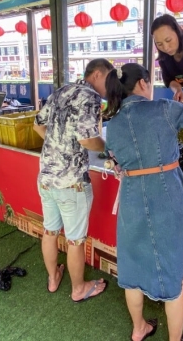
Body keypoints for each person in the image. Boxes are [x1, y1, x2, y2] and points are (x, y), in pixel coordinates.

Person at [104, 63, 183, 341]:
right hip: (166, 193)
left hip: (132, 195)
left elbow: (114, 159)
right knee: (173, 273)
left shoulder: (113, 123)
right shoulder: (164, 108)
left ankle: (139, 329)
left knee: (132, 267)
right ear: (144, 84)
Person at [32, 58, 113, 302]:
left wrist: (58, 146)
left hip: (46, 177)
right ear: (98, 74)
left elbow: (37, 125)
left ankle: (53, 278)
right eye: (109, 78)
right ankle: (79, 289)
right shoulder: (90, 96)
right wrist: (109, 149)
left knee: (50, 230)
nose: (111, 85)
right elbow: (88, 139)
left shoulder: (62, 91)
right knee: (75, 241)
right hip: (71, 183)